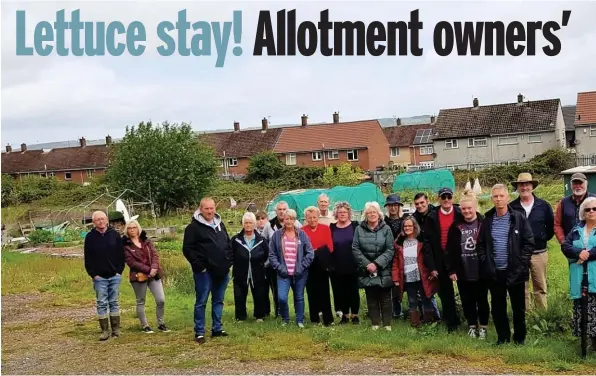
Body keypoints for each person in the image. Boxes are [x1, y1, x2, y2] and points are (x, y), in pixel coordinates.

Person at [477, 184, 535, 345]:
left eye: (501, 196)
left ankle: (519, 338)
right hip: (495, 271)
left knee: (518, 308)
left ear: (507, 197)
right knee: (497, 307)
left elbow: (529, 243)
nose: (498, 199)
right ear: (491, 199)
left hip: (515, 270)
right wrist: (485, 262)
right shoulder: (487, 220)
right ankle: (502, 337)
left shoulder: (518, 218)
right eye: (495, 196)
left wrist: (521, 263)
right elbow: (480, 245)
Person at [182, 197, 233, 344]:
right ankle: (199, 331)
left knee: (218, 300)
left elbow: (228, 244)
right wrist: (200, 267)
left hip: (222, 271)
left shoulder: (220, 224)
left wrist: (229, 262)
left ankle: (217, 328)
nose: (210, 211)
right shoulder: (193, 228)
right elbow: (188, 249)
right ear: (201, 209)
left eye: (212, 208)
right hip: (204, 272)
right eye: (207, 209)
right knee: (202, 301)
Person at [445, 190, 489, 339]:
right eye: (463, 209)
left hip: (481, 270)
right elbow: (449, 250)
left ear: (475, 207)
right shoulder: (455, 227)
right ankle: (471, 326)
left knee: (482, 300)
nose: (467, 211)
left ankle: (483, 326)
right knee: (467, 300)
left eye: (469, 208)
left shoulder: (484, 223)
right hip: (463, 270)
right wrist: (451, 270)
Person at [509, 173, 554, 311]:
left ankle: (541, 316)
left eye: (527, 184)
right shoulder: (512, 207)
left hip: (539, 252)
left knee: (540, 286)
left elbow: (551, 227)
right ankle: (525, 315)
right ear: (517, 187)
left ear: (532, 186)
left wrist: (540, 238)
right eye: (521, 185)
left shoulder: (543, 205)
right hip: (519, 254)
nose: (524, 187)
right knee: (522, 286)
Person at [422, 187, 463, 332]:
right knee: (446, 295)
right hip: (440, 260)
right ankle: (451, 323)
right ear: (438, 198)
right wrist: (432, 266)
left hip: (458, 259)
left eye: (449, 197)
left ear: (452, 198)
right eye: (443, 197)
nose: (446, 200)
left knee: (465, 291)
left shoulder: (460, 213)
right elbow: (427, 244)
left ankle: (469, 321)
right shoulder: (432, 217)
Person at [352, 201, 395, 331]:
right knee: (371, 296)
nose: (372, 214)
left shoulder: (386, 229)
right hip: (366, 269)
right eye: (369, 212)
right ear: (365, 214)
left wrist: (377, 264)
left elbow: (390, 249)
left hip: (383, 268)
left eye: (374, 212)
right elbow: (355, 248)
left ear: (378, 213)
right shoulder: (359, 229)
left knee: (386, 297)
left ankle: (387, 324)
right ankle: (375, 323)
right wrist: (367, 264)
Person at [268, 209, 314, 327]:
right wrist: (279, 268)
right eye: (286, 219)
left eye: (291, 219)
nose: (289, 221)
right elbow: (272, 254)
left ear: (295, 220)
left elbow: (310, 253)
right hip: (283, 273)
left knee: (299, 297)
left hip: (300, 273)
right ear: (283, 220)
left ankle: (299, 320)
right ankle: (285, 318)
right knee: (282, 298)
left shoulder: (302, 234)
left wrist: (302, 267)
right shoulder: (277, 235)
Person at [84, 210, 125, 341]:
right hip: (99, 277)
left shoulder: (114, 235)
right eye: (98, 219)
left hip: (114, 275)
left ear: (107, 220)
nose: (101, 221)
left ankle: (116, 329)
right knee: (101, 303)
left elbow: (121, 254)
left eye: (103, 219)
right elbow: (87, 258)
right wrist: (93, 274)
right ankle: (104, 331)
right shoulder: (90, 237)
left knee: (114, 302)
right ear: (94, 222)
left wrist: (119, 271)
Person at [392, 216, 439, 327]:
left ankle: (429, 322)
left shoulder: (421, 239)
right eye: (405, 226)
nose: (407, 228)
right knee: (412, 300)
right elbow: (396, 262)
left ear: (414, 226)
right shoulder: (400, 242)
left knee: (426, 298)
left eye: (410, 225)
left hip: (422, 276)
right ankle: (415, 323)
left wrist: (431, 271)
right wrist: (395, 278)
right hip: (408, 277)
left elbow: (429, 257)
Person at [123, 220, 169, 334]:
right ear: (127, 230)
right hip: (139, 276)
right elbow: (131, 262)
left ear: (138, 228)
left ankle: (161, 323)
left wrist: (154, 268)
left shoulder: (146, 241)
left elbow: (155, 255)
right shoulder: (125, 245)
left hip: (154, 274)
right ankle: (145, 325)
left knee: (161, 300)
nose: (132, 229)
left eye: (134, 227)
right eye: (130, 228)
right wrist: (148, 270)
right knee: (141, 301)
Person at [563, 197, 596, 352]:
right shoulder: (576, 230)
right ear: (583, 212)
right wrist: (579, 252)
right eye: (588, 209)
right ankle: (585, 344)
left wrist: (586, 254)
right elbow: (565, 246)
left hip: (594, 276)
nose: (591, 212)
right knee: (582, 310)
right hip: (579, 278)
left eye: (595, 209)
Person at [263, 201, 303, 318]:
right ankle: (279, 313)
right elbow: (264, 242)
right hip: (274, 264)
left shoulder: (297, 224)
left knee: (297, 292)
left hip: (294, 264)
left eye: (284, 209)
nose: (282, 211)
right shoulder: (269, 225)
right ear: (276, 211)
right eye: (279, 209)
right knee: (277, 291)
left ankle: (298, 313)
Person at [231, 212, 269, 322]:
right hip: (240, 272)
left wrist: (262, 264)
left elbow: (267, 254)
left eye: (250, 223)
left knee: (259, 293)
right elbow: (230, 254)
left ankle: (259, 316)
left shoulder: (261, 240)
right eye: (246, 223)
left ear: (254, 224)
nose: (248, 225)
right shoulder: (236, 239)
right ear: (243, 224)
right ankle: (240, 316)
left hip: (257, 271)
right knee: (239, 295)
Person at [302, 206, 335, 326]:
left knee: (324, 291)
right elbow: (302, 249)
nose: (312, 220)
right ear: (306, 218)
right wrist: (314, 252)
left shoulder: (325, 228)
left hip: (322, 264)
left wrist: (316, 252)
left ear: (318, 217)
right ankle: (314, 318)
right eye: (309, 218)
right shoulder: (302, 230)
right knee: (311, 292)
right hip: (309, 265)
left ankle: (328, 319)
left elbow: (330, 247)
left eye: (314, 217)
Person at [411, 192, 441, 321]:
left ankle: (447, 316)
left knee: (442, 288)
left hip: (438, 254)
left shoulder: (436, 214)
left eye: (422, 203)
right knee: (425, 288)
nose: (420, 206)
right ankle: (430, 316)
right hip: (423, 256)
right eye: (417, 204)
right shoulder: (414, 218)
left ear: (427, 201)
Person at [330, 201, 361, 325]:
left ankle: (355, 315)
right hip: (337, 264)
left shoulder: (355, 226)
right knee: (340, 291)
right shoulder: (331, 227)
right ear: (336, 213)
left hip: (353, 263)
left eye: (344, 212)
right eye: (340, 212)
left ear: (349, 213)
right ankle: (345, 315)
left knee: (353, 290)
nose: (342, 214)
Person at [555, 173, 596, 250]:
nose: (578, 186)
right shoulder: (563, 202)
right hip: (571, 247)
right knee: (574, 263)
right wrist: (563, 241)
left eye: (580, 183)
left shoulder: (594, 200)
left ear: (586, 184)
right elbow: (557, 224)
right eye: (575, 183)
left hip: (593, 244)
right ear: (571, 185)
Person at [384, 194, 405, 320]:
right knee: (392, 283)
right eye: (390, 205)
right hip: (389, 256)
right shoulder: (384, 222)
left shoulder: (405, 221)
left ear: (399, 207)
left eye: (395, 205)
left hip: (403, 255)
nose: (393, 208)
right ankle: (395, 310)